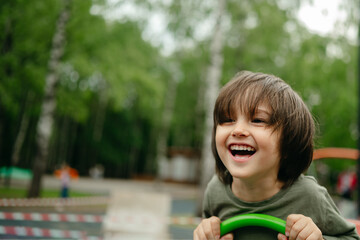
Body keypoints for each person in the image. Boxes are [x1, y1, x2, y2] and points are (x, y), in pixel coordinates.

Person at [193, 71, 359, 240]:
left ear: (289, 141)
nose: (238, 130)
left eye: (258, 120)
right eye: (228, 119)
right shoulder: (215, 192)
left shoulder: (309, 196)